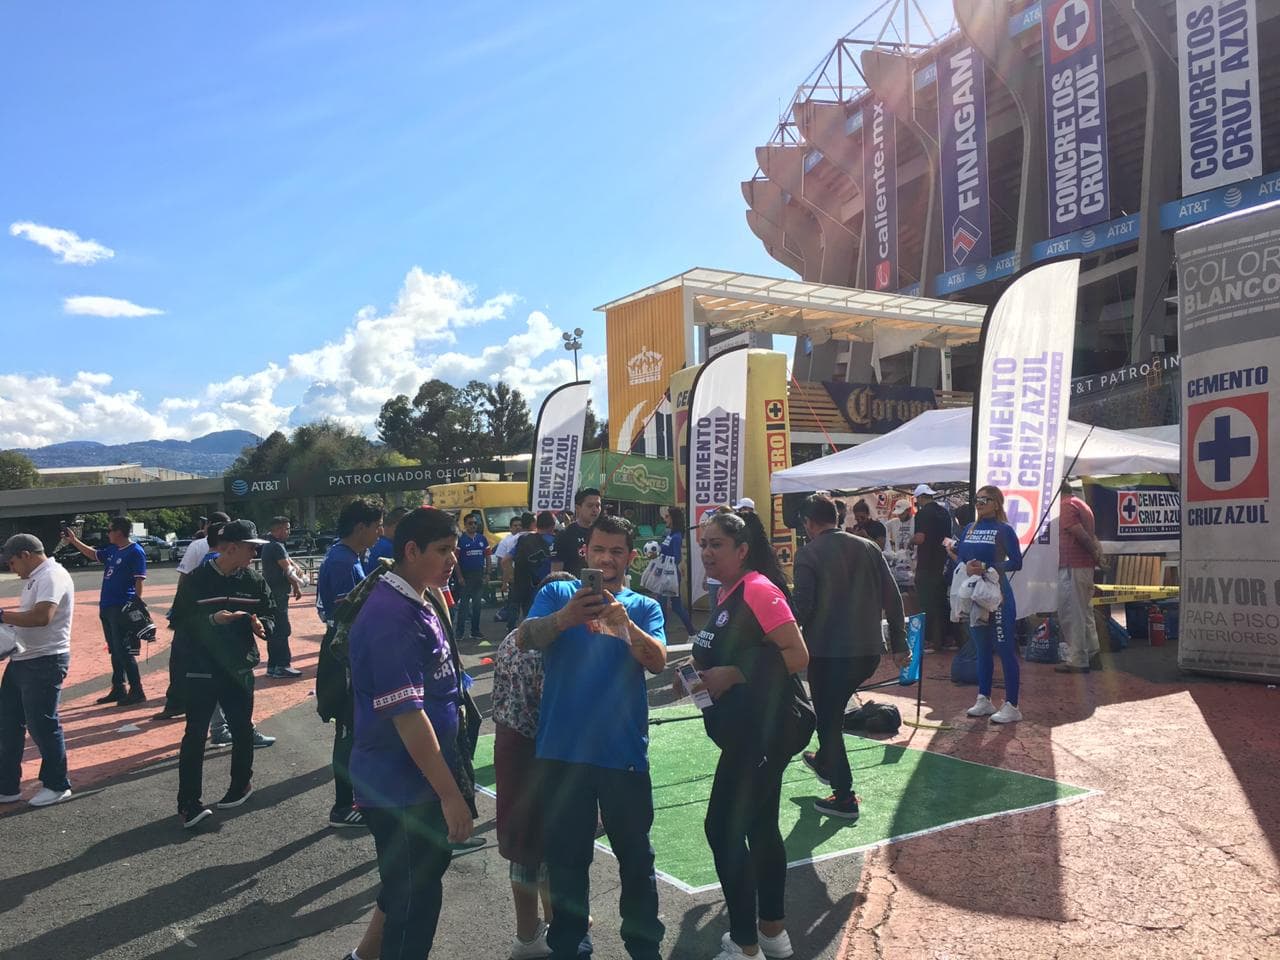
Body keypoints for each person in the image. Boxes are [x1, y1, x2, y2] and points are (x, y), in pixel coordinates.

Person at [517, 516, 667, 960]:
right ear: (585, 551)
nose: (606, 559)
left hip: (622, 754)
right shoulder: (556, 593)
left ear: (630, 557)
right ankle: (568, 943)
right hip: (562, 752)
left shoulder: (643, 606)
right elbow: (525, 637)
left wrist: (627, 628)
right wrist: (565, 619)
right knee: (567, 860)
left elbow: (658, 661)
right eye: (599, 550)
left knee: (636, 860)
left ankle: (643, 946)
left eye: (617, 551)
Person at [347, 507, 475, 960]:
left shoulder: (417, 597)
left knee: (414, 883)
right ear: (411, 550)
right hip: (400, 785)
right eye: (443, 550)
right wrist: (449, 794)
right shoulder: (389, 616)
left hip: (417, 780)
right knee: (413, 904)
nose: (452, 559)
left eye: (454, 549)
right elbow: (407, 717)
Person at [691, 512, 809, 959]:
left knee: (722, 829)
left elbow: (797, 656)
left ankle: (744, 946)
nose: (707, 552)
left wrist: (735, 673)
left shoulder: (758, 588)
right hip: (747, 732)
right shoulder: (728, 592)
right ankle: (773, 936)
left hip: (763, 732)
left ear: (742, 550)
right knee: (760, 828)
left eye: (717, 544)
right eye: (704, 543)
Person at [793, 494, 908, 821]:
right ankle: (826, 761)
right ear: (837, 517)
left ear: (809, 523)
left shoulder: (808, 554)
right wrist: (900, 642)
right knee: (830, 712)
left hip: (826, 653)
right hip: (868, 651)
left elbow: (802, 607)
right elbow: (893, 597)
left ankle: (844, 797)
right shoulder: (868, 547)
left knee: (828, 720)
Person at [170, 520, 276, 828]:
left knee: (242, 728)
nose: (255, 553)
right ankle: (188, 802)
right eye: (251, 547)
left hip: (239, 666)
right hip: (201, 668)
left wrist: (262, 626)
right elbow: (178, 622)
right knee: (195, 734)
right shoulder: (195, 580)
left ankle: (240, 784)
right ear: (231, 548)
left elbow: (271, 614)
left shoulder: (255, 580)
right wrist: (213, 620)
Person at [493, 572, 576, 959]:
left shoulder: (512, 638)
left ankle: (535, 928)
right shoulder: (548, 649)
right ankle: (530, 935)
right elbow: (550, 707)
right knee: (544, 847)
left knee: (527, 849)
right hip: (539, 750)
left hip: (510, 745)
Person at [317, 497, 385, 828]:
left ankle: (355, 798)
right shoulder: (343, 562)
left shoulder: (349, 557)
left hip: (347, 648)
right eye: (377, 526)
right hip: (342, 652)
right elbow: (349, 616)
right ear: (361, 528)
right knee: (346, 730)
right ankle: (343, 806)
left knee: (355, 729)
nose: (380, 532)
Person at [0, 534, 75, 808]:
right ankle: (7, 786)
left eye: (11, 562)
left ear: (26, 555)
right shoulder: (36, 577)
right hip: (23, 659)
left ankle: (57, 784)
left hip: (45, 660)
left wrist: (2, 616)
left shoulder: (51, 576)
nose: (11, 568)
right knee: (8, 724)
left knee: (42, 724)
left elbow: (43, 617)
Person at [952, 486, 1025, 723]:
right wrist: (965, 563)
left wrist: (987, 567)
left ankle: (1012, 705)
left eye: (985, 499)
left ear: (996, 503)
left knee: (1004, 648)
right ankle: (983, 698)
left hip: (998, 595)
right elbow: (962, 556)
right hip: (975, 594)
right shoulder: (968, 528)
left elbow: (1016, 562)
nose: (979, 503)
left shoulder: (1004, 530)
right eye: (977, 499)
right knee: (981, 648)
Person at [62, 517, 148, 706]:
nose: (107, 533)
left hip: (121, 606)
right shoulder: (113, 550)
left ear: (119, 532)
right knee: (114, 650)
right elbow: (94, 555)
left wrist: (136, 604)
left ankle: (137, 690)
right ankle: (119, 688)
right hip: (107, 606)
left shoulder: (135, 551)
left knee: (124, 650)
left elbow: (139, 581)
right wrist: (74, 541)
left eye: (109, 530)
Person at [1056, 480, 1101, 674]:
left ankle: (1077, 659)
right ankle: (1092, 652)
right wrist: (1095, 555)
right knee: (1084, 612)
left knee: (1070, 612)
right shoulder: (1080, 504)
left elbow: (1079, 534)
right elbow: (1089, 535)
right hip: (1082, 565)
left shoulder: (1065, 506)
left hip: (1071, 565)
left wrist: (1094, 553)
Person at [260, 517, 305, 678]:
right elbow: (288, 570)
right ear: (278, 529)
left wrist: (295, 566)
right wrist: (298, 585)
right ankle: (282, 665)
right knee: (282, 629)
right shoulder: (277, 547)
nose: (288, 531)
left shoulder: (269, 545)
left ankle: (272, 666)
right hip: (278, 594)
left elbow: (289, 563)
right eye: (286, 528)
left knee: (274, 630)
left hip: (271, 593)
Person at [911, 484, 952, 653]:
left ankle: (928, 640)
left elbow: (920, 538)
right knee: (942, 602)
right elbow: (947, 540)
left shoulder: (922, 514)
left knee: (925, 602)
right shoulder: (945, 513)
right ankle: (948, 639)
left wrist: (909, 541)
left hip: (926, 564)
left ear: (920, 498)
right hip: (941, 563)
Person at [655, 506, 695, 636]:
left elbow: (677, 558)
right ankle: (692, 633)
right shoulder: (670, 534)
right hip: (667, 574)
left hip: (669, 575)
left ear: (673, 518)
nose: (665, 519)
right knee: (676, 606)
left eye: (667, 516)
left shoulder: (676, 536)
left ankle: (661, 634)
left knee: (662, 604)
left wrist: (665, 559)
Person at [512, 511, 557, 618]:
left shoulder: (523, 540)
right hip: (551, 587)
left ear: (537, 524)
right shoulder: (557, 541)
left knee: (530, 620)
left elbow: (506, 559)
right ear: (552, 526)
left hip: (526, 587)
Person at [453, 513, 490, 641]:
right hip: (466, 576)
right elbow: (455, 560)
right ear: (465, 525)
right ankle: (459, 632)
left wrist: (487, 574)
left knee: (477, 605)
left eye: (475, 523)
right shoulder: (461, 540)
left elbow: (488, 557)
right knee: (463, 606)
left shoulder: (482, 539)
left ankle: (475, 631)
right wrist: (459, 577)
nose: (473, 525)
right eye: (470, 523)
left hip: (479, 575)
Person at [551, 488, 602, 577]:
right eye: (590, 505)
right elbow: (556, 572)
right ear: (578, 508)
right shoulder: (565, 535)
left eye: (597, 506)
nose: (595, 510)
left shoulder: (603, 534)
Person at [493, 515, 526, 629]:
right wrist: (504, 579)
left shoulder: (525, 538)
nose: (518, 528)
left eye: (520, 525)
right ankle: (511, 627)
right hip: (513, 577)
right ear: (510, 528)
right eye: (515, 526)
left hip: (525, 576)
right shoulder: (506, 541)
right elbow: (501, 561)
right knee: (513, 604)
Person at [884, 498, 916, 591]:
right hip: (899, 561)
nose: (900, 516)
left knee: (912, 589)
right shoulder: (894, 522)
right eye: (898, 514)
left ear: (909, 510)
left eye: (902, 513)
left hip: (913, 562)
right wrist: (888, 547)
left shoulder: (916, 521)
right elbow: (882, 528)